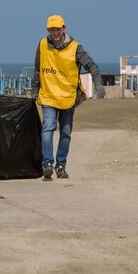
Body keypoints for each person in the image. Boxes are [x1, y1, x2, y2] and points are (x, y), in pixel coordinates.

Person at [32, 15, 104, 181]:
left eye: (58, 29)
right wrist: (35, 89)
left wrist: (98, 83)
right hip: (48, 95)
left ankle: (61, 165)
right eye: (52, 30)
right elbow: (37, 69)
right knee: (48, 127)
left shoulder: (75, 47)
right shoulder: (42, 44)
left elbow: (91, 65)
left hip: (68, 97)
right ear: (48, 30)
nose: (55, 33)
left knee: (65, 132)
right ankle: (47, 164)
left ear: (64, 28)